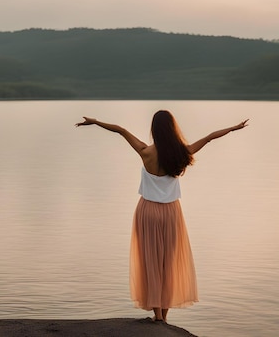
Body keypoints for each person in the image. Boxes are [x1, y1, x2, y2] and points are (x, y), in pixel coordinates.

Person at [76, 110, 248, 323]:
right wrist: (232, 128)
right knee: (169, 264)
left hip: (147, 212)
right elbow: (209, 138)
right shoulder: (181, 153)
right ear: (172, 129)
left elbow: (120, 130)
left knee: (151, 263)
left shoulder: (145, 151)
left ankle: (156, 315)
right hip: (171, 213)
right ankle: (164, 318)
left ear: (154, 130)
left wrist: (95, 122)